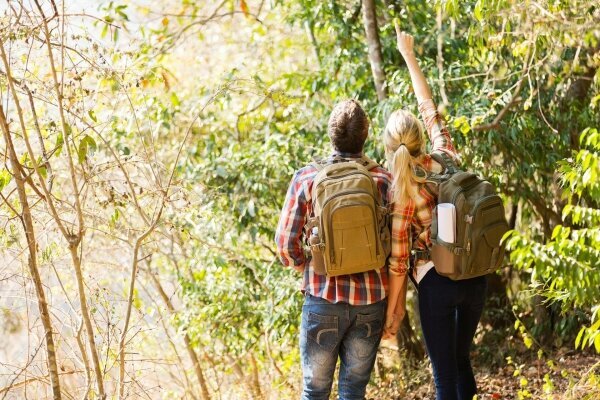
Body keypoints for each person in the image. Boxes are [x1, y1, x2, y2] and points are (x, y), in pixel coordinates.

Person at [382, 29, 487, 400]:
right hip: (475, 274)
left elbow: (397, 264)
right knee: (461, 361)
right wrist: (408, 55)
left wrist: (393, 313)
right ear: (421, 140)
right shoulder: (447, 158)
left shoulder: (402, 193)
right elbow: (428, 107)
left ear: (390, 148)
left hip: (436, 283)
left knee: (444, 376)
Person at [275, 99, 392, 400]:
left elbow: (286, 246)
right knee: (353, 392)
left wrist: (308, 265)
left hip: (323, 299)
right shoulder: (382, 180)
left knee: (314, 392)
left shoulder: (307, 178)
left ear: (331, 136)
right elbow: (395, 241)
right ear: (366, 136)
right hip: (371, 301)